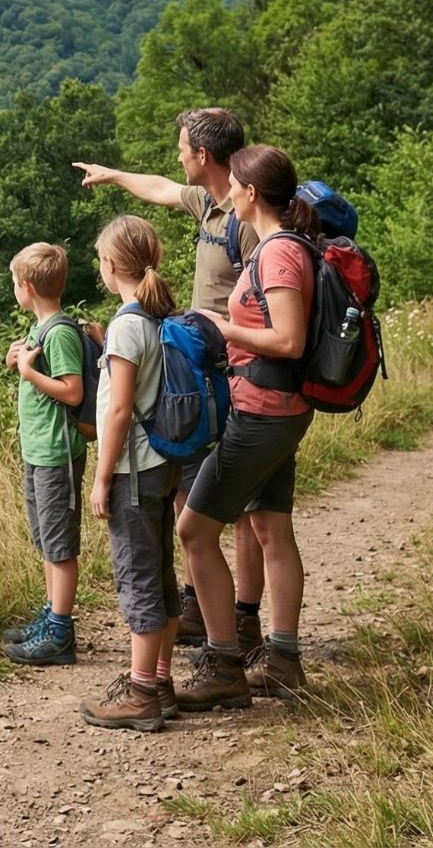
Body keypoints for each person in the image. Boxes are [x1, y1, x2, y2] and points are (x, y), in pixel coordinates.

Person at [75, 107, 268, 656]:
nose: (178, 155)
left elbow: (267, 304)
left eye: (183, 146)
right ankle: (198, 609)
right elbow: (158, 187)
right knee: (190, 504)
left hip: (234, 377)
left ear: (204, 155)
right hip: (202, 375)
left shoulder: (245, 219)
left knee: (244, 514)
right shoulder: (209, 201)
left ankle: (243, 621)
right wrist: (112, 175)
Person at [176, 145, 319, 709]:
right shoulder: (283, 246)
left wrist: (222, 326)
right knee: (271, 530)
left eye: (234, 185)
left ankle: (224, 664)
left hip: (262, 412)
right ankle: (281, 659)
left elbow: (289, 340)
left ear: (252, 193)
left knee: (193, 531)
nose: (227, 193)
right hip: (279, 408)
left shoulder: (278, 253)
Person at [79, 215, 182, 732]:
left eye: (100, 259)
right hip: (163, 465)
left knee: (138, 577)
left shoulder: (126, 325)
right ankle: (160, 683)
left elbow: (119, 411)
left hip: (133, 470)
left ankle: (141, 694)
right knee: (161, 573)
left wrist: (101, 478)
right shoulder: (157, 315)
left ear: (111, 266)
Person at [0, 242, 86, 666]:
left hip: (57, 454)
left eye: (15, 282)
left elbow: (73, 391)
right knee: (46, 540)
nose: (13, 288)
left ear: (28, 286)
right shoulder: (39, 330)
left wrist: (30, 372)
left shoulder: (61, 332)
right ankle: (51, 614)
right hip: (38, 452)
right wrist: (17, 361)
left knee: (60, 545)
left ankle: (60, 633)